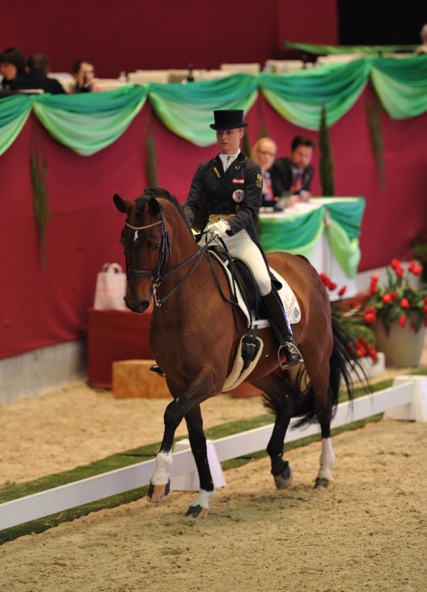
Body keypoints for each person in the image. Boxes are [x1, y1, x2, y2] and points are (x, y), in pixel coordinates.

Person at [182, 109, 303, 369]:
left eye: (229, 132)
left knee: (261, 279)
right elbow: (191, 203)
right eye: (220, 132)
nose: (223, 137)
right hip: (208, 236)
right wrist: (187, 225)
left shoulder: (251, 169)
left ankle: (286, 340)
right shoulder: (205, 169)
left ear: (240, 133)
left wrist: (226, 225)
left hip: (239, 238)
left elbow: (250, 211)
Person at [270, 135, 315, 209]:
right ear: (291, 153)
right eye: (300, 154)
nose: (303, 159)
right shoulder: (279, 166)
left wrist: (305, 195)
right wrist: (298, 197)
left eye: (307, 156)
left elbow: (304, 191)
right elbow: (279, 194)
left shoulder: (309, 170)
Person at [250, 137, 278, 207]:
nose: (267, 157)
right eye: (264, 152)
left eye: (271, 154)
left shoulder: (267, 174)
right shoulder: (250, 173)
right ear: (256, 152)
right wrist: (274, 203)